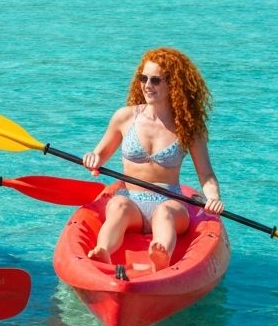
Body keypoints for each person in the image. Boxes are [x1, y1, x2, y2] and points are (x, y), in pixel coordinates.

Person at [81, 48, 224, 271]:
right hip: (131, 200)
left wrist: (213, 196)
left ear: (172, 85)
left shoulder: (188, 128)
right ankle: (103, 252)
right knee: (117, 205)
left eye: (156, 80)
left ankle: (162, 256)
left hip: (170, 201)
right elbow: (99, 154)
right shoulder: (125, 117)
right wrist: (93, 158)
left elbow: (206, 175)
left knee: (164, 214)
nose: (148, 85)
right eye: (143, 78)